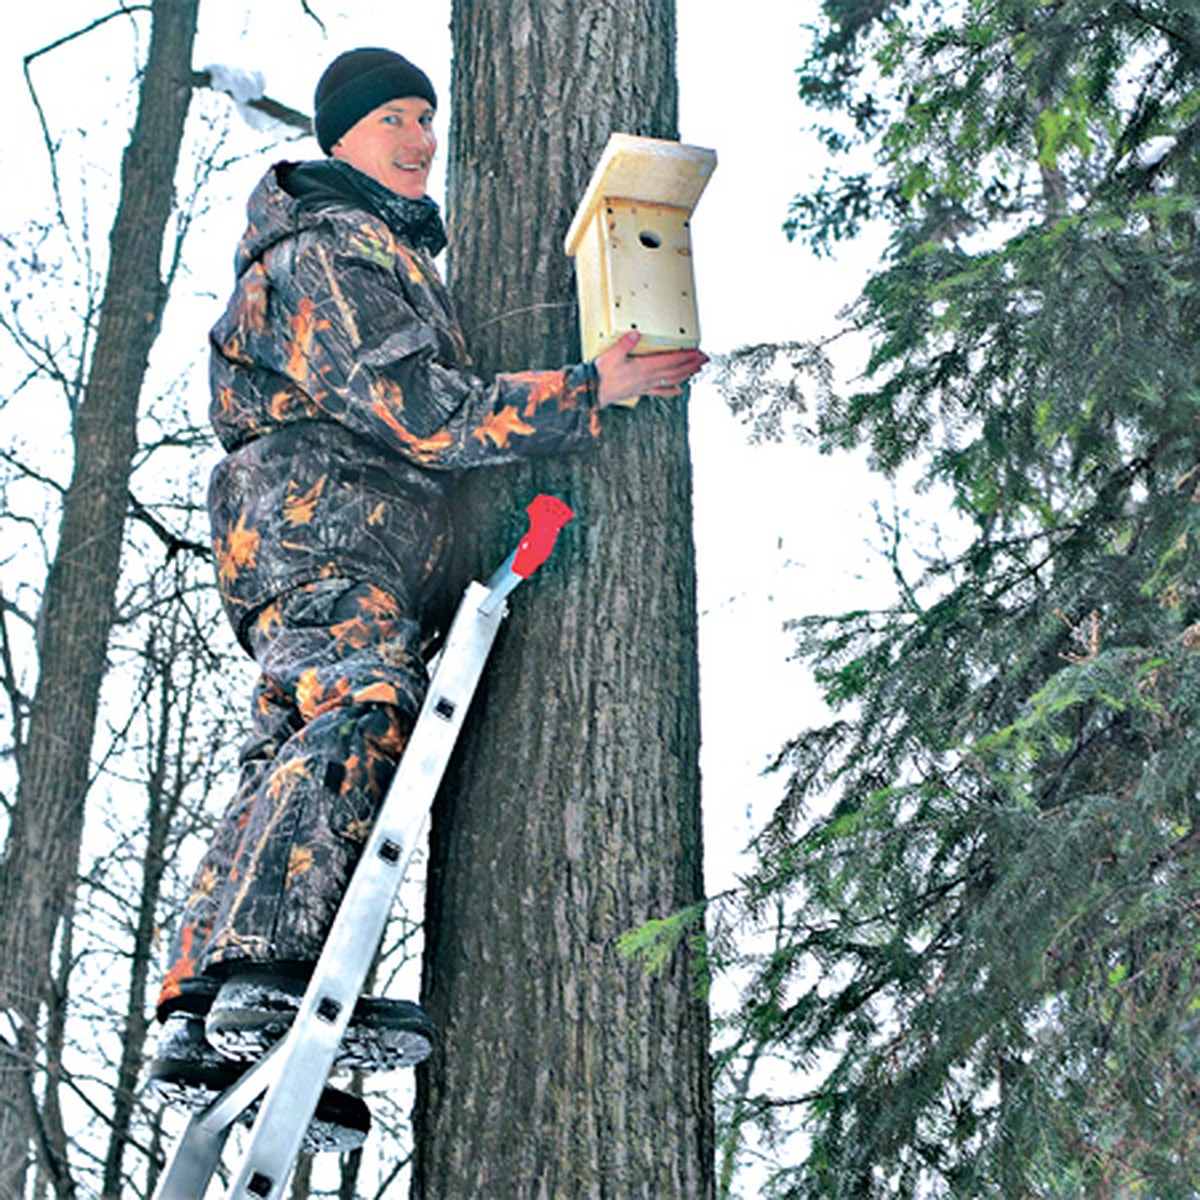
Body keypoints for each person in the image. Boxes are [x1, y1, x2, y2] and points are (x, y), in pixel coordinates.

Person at [145, 47, 707, 1151]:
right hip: (323, 522)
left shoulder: (374, 247)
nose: (421, 140)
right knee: (359, 709)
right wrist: (592, 390)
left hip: (330, 532)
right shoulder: (330, 251)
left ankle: (207, 1013)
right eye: (395, 119)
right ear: (339, 135)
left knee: (290, 748)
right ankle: (268, 975)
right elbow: (423, 413)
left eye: (428, 119)